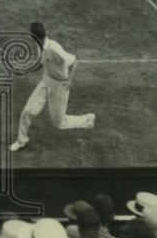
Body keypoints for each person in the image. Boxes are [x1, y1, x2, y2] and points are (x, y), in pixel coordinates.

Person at [9, 22, 94, 152]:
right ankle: (21, 140)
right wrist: (24, 71)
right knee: (27, 111)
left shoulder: (54, 48)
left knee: (59, 123)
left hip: (60, 86)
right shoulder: (40, 46)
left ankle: (88, 119)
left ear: (34, 37)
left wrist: (69, 81)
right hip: (46, 80)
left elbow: (75, 61)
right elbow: (41, 64)